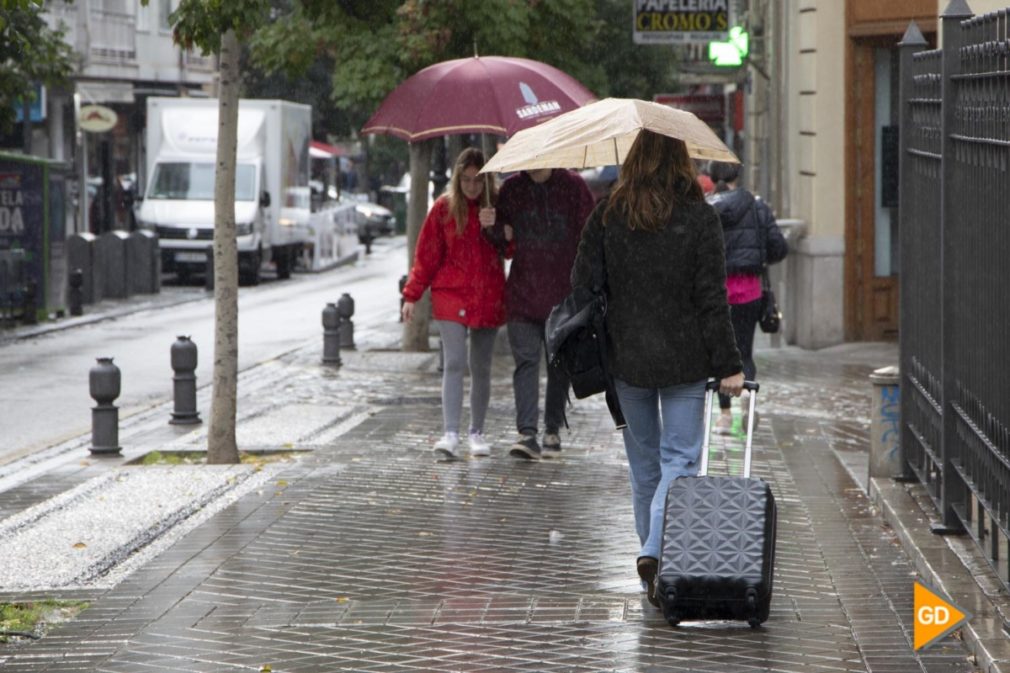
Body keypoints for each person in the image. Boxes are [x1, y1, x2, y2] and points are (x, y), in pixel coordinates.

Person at [570, 130, 745, 607]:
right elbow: (713, 299)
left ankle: (653, 571)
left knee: (644, 466)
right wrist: (729, 364)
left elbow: (582, 283)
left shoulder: (608, 214)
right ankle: (655, 552)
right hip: (686, 358)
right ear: (680, 161)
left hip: (626, 359)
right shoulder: (698, 218)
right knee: (681, 460)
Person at [401, 148, 505, 459]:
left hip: (487, 294)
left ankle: (477, 430)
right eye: (466, 180)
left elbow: (511, 247)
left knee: (481, 366)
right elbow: (427, 257)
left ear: (486, 181)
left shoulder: (497, 207)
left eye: (478, 180)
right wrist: (412, 295)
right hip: (451, 295)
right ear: (457, 179)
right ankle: (451, 431)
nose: (472, 186)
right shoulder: (443, 210)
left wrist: (496, 228)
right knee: (455, 361)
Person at [489, 167, 596, 460]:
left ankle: (552, 428)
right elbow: (500, 242)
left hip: (562, 298)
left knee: (559, 365)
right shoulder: (512, 190)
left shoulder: (574, 187)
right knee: (526, 363)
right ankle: (527, 433)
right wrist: (493, 226)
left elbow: (591, 233)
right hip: (522, 296)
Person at [706, 161, 789, 435]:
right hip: (750, 290)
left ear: (712, 176)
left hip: (717, 292)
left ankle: (725, 416)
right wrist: (758, 255)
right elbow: (778, 246)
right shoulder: (757, 206)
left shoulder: (707, 208)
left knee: (719, 351)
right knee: (744, 351)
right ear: (737, 176)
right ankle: (747, 402)